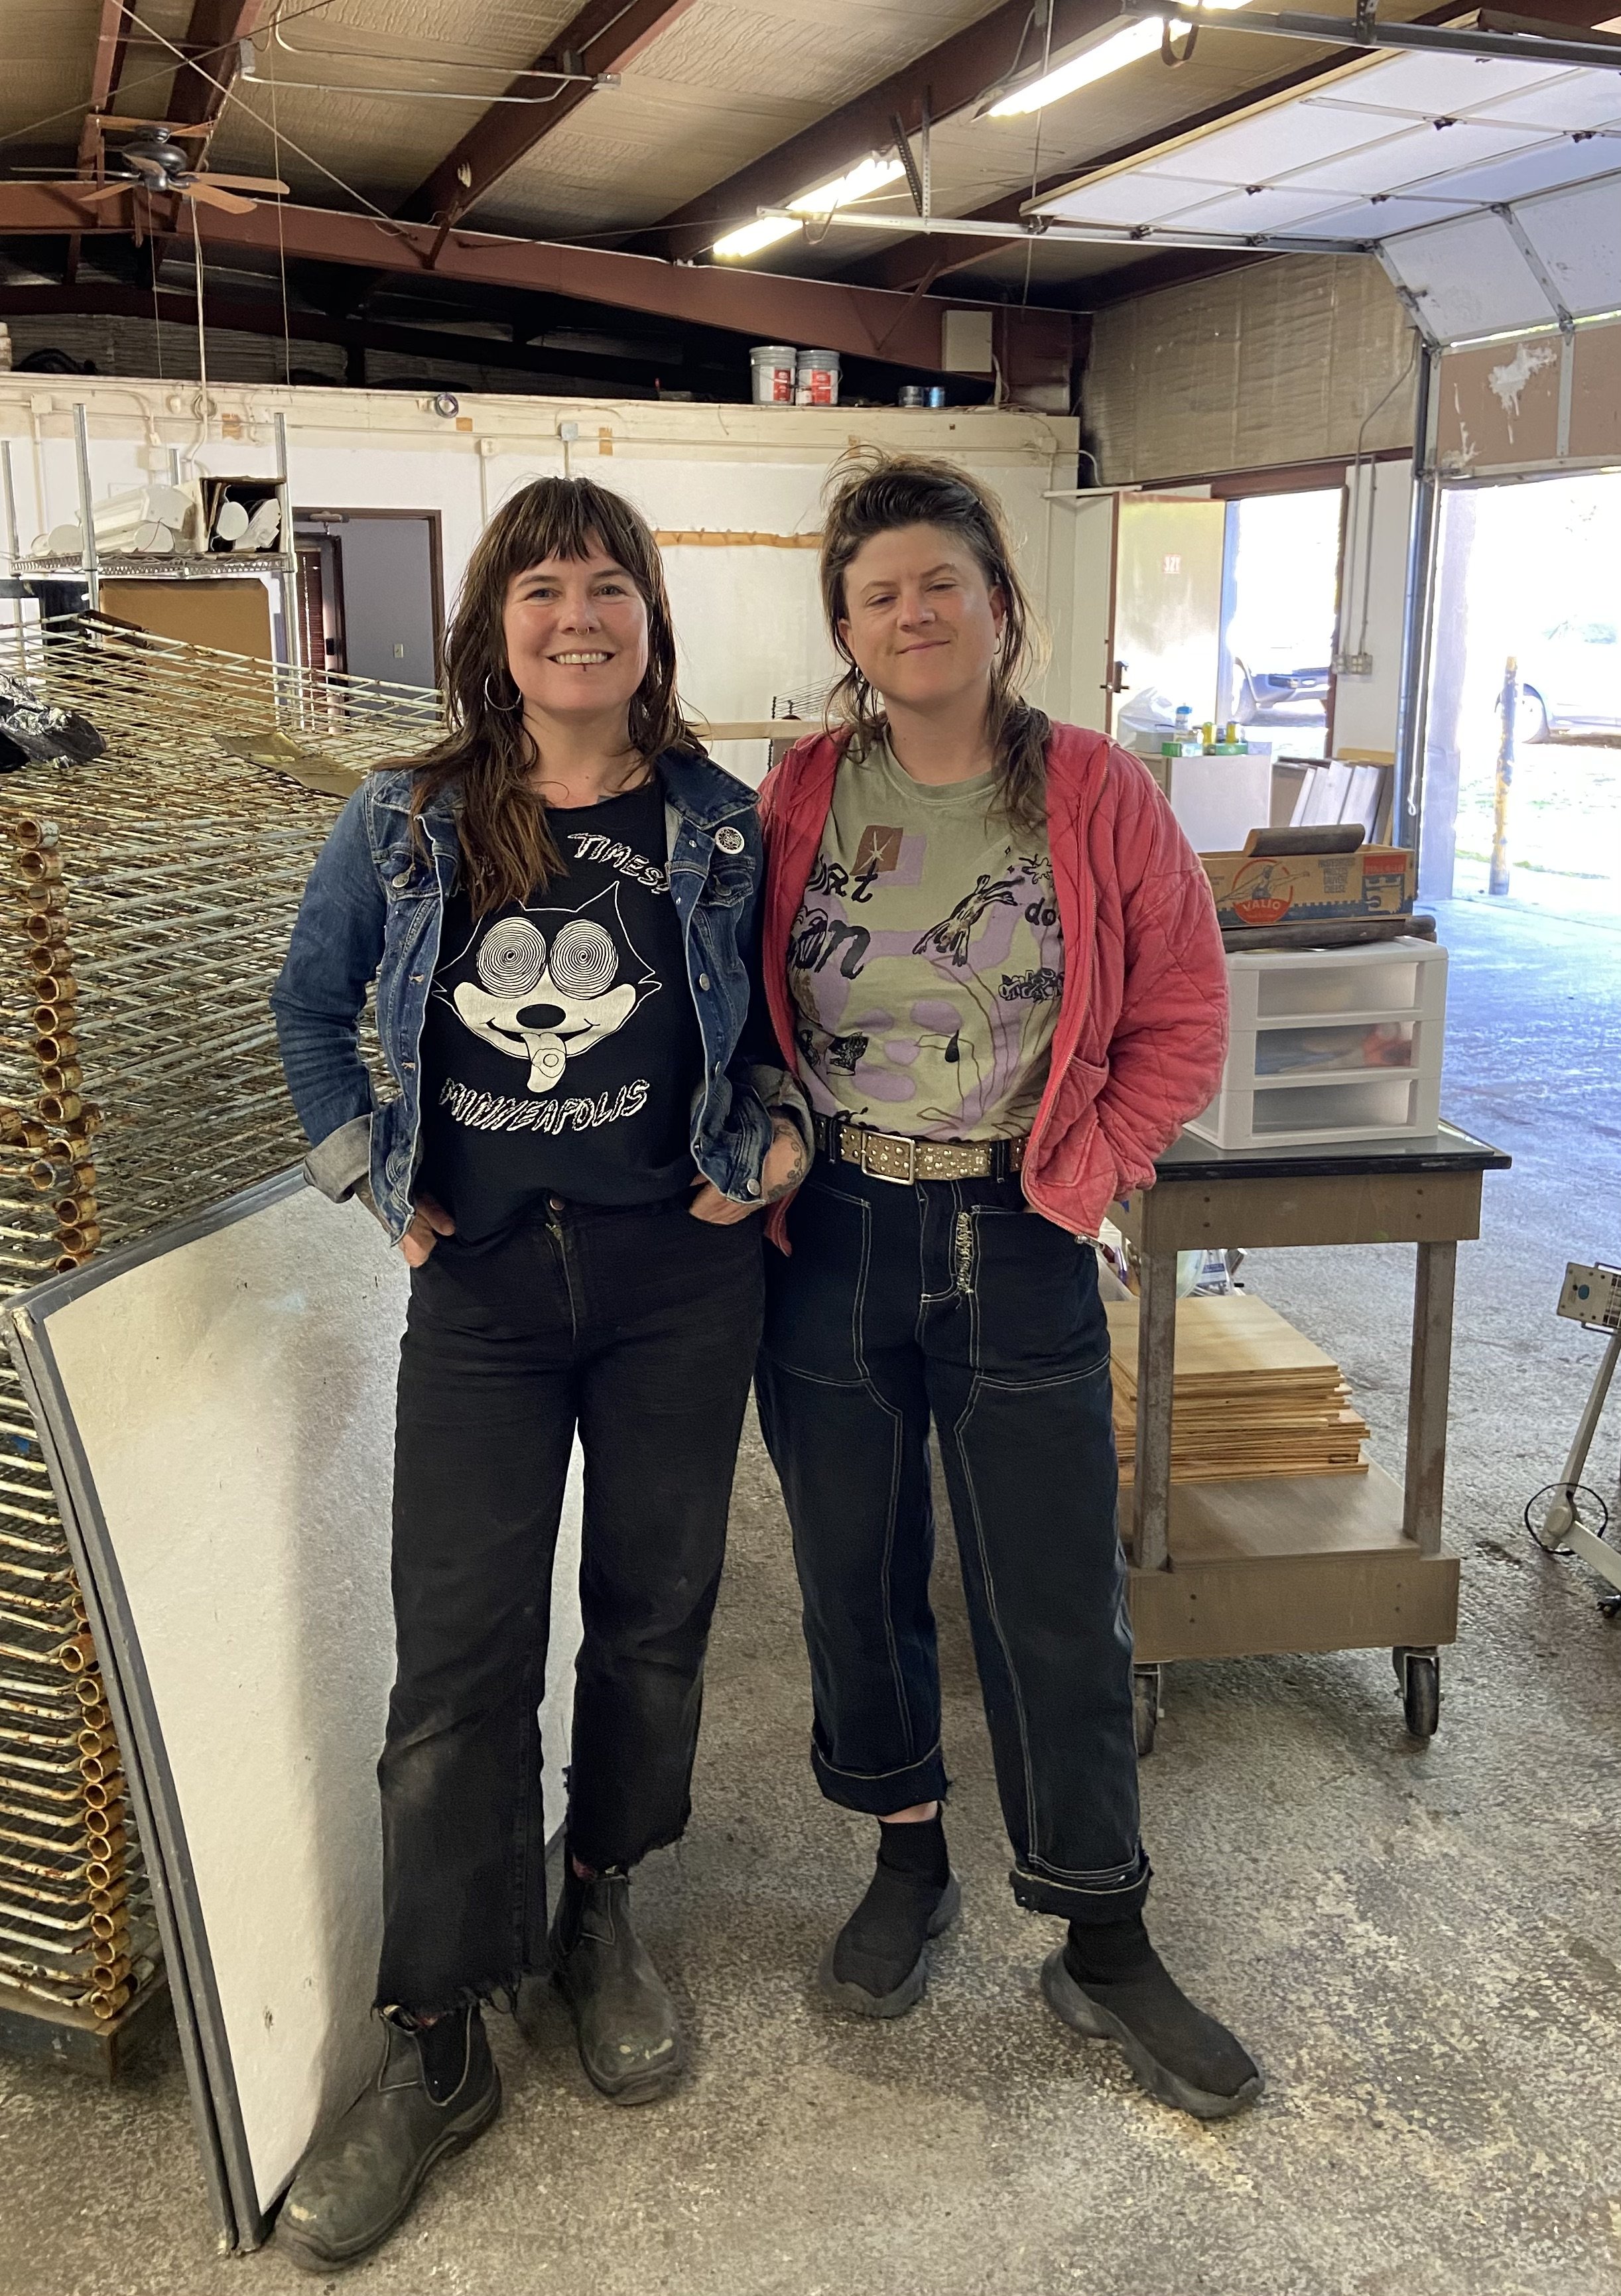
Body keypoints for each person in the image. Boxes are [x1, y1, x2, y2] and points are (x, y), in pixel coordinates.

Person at [268, 475, 809, 2272]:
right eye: (539, 590)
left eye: (608, 588)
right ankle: (435, 2041)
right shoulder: (408, 821)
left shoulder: (719, 829)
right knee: (457, 1664)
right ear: (492, 629)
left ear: (651, 624)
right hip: (487, 1294)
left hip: (678, 1283)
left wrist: (778, 1139)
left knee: (652, 1617)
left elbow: (787, 1045)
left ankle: (602, 1904)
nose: (576, 617)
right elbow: (309, 1006)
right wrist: (368, 1172)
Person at [753, 448, 1262, 2121]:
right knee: (854, 1565)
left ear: (998, 604)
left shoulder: (1099, 796)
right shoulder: (802, 793)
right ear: (846, 624)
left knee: (1053, 1593)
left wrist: (1090, 1166)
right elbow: (737, 998)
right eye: (879, 592)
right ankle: (909, 1856)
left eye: (939, 585)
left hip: (1018, 1232)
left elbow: (1183, 1012)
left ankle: (1100, 1935)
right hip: (833, 1232)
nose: (912, 615)